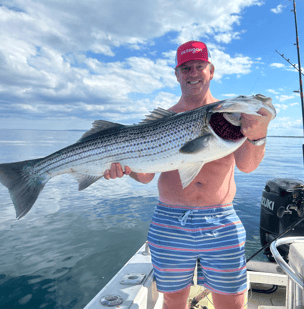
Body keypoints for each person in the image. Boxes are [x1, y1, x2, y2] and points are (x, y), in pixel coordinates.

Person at [103, 41, 273, 309]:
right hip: (169, 221)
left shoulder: (229, 114)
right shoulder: (162, 120)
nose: (193, 73)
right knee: (172, 300)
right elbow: (146, 177)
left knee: (234, 301)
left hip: (221, 218)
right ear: (177, 74)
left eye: (199, 66)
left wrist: (258, 134)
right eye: (186, 68)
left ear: (211, 70)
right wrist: (125, 169)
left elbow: (247, 166)